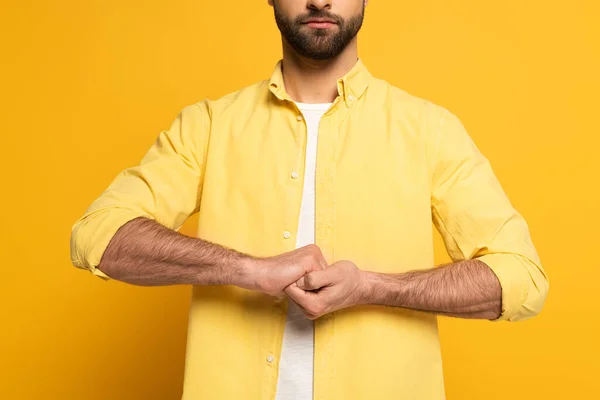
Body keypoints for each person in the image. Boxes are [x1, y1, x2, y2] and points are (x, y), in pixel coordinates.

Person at [70, 1, 549, 399]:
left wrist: (374, 287)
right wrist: (250, 270)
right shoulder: (208, 126)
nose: (320, 0)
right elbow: (99, 235)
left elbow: (521, 278)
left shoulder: (430, 130)